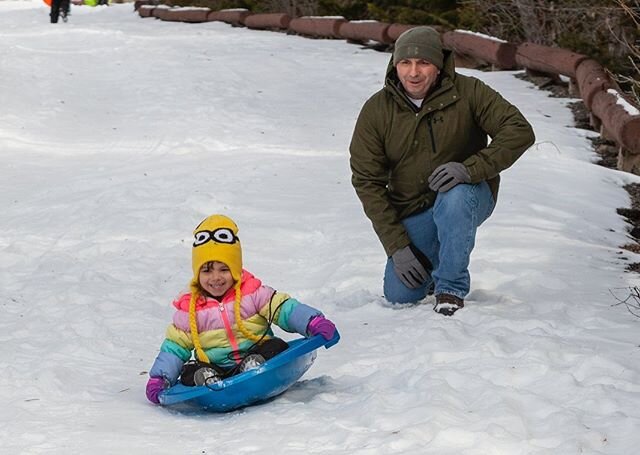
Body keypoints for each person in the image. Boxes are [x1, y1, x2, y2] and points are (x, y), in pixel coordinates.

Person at [349, 26, 535, 316]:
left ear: (438, 65)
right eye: (405, 63)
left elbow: (519, 131)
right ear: (394, 65)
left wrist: (470, 169)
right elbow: (367, 181)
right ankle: (438, 261)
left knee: (455, 198)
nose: (413, 73)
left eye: (423, 63)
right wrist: (397, 246)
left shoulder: (470, 92)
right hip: (414, 210)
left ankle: (450, 287)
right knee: (400, 295)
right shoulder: (376, 110)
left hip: (468, 196)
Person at [146, 214, 337, 404]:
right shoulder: (191, 310)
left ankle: (253, 366)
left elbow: (282, 308)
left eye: (224, 269)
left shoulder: (252, 293)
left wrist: (312, 322)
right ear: (197, 274)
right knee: (189, 371)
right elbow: (175, 346)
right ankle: (208, 379)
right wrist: (159, 379)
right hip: (217, 367)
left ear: (236, 269)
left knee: (277, 346)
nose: (215, 278)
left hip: (259, 356)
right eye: (206, 270)